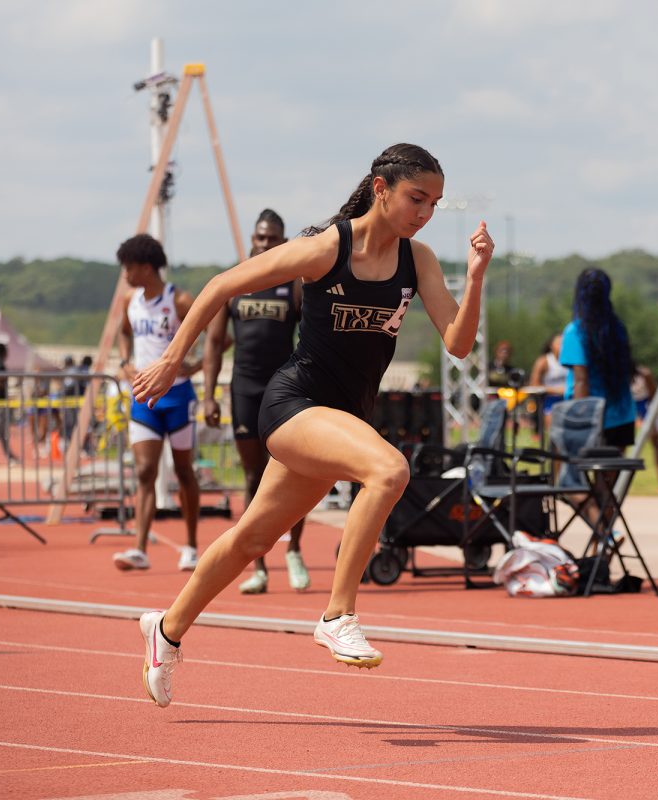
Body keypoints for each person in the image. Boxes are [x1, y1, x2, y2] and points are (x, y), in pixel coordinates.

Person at [131, 143, 492, 707]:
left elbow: (459, 343)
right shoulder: (328, 248)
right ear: (381, 188)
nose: (424, 212)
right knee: (388, 470)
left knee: (252, 538)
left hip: (341, 418)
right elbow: (221, 286)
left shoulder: (416, 260)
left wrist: (475, 279)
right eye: (416, 198)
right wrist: (175, 358)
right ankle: (337, 613)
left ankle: (167, 629)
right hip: (292, 403)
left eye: (434, 203)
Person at [203, 209, 310, 595]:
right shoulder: (236, 282)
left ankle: (295, 550)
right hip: (245, 387)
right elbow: (214, 343)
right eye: (261, 238)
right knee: (253, 476)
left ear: (283, 242)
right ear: (253, 239)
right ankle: (258, 566)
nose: (266, 244)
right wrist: (209, 395)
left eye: (273, 239)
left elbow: (313, 334)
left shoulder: (294, 283)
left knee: (294, 470)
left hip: (284, 388)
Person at [111, 234, 202, 573]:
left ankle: (191, 546)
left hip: (177, 397)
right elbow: (124, 333)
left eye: (129, 267)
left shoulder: (179, 300)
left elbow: (214, 331)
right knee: (145, 471)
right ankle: (139, 548)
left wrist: (197, 365)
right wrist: (124, 362)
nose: (125, 274)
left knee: (183, 472)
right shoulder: (129, 301)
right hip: (143, 398)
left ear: (146, 268)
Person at [560, 268, 636, 452]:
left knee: (582, 475)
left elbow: (581, 380)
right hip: (622, 413)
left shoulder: (575, 331)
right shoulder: (618, 329)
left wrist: (581, 422)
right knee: (614, 477)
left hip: (591, 416)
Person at [630, 363, 658, 495]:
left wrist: (647, 419)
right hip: (628, 408)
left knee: (656, 443)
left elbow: (654, 396)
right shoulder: (619, 373)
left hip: (646, 409)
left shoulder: (644, 374)